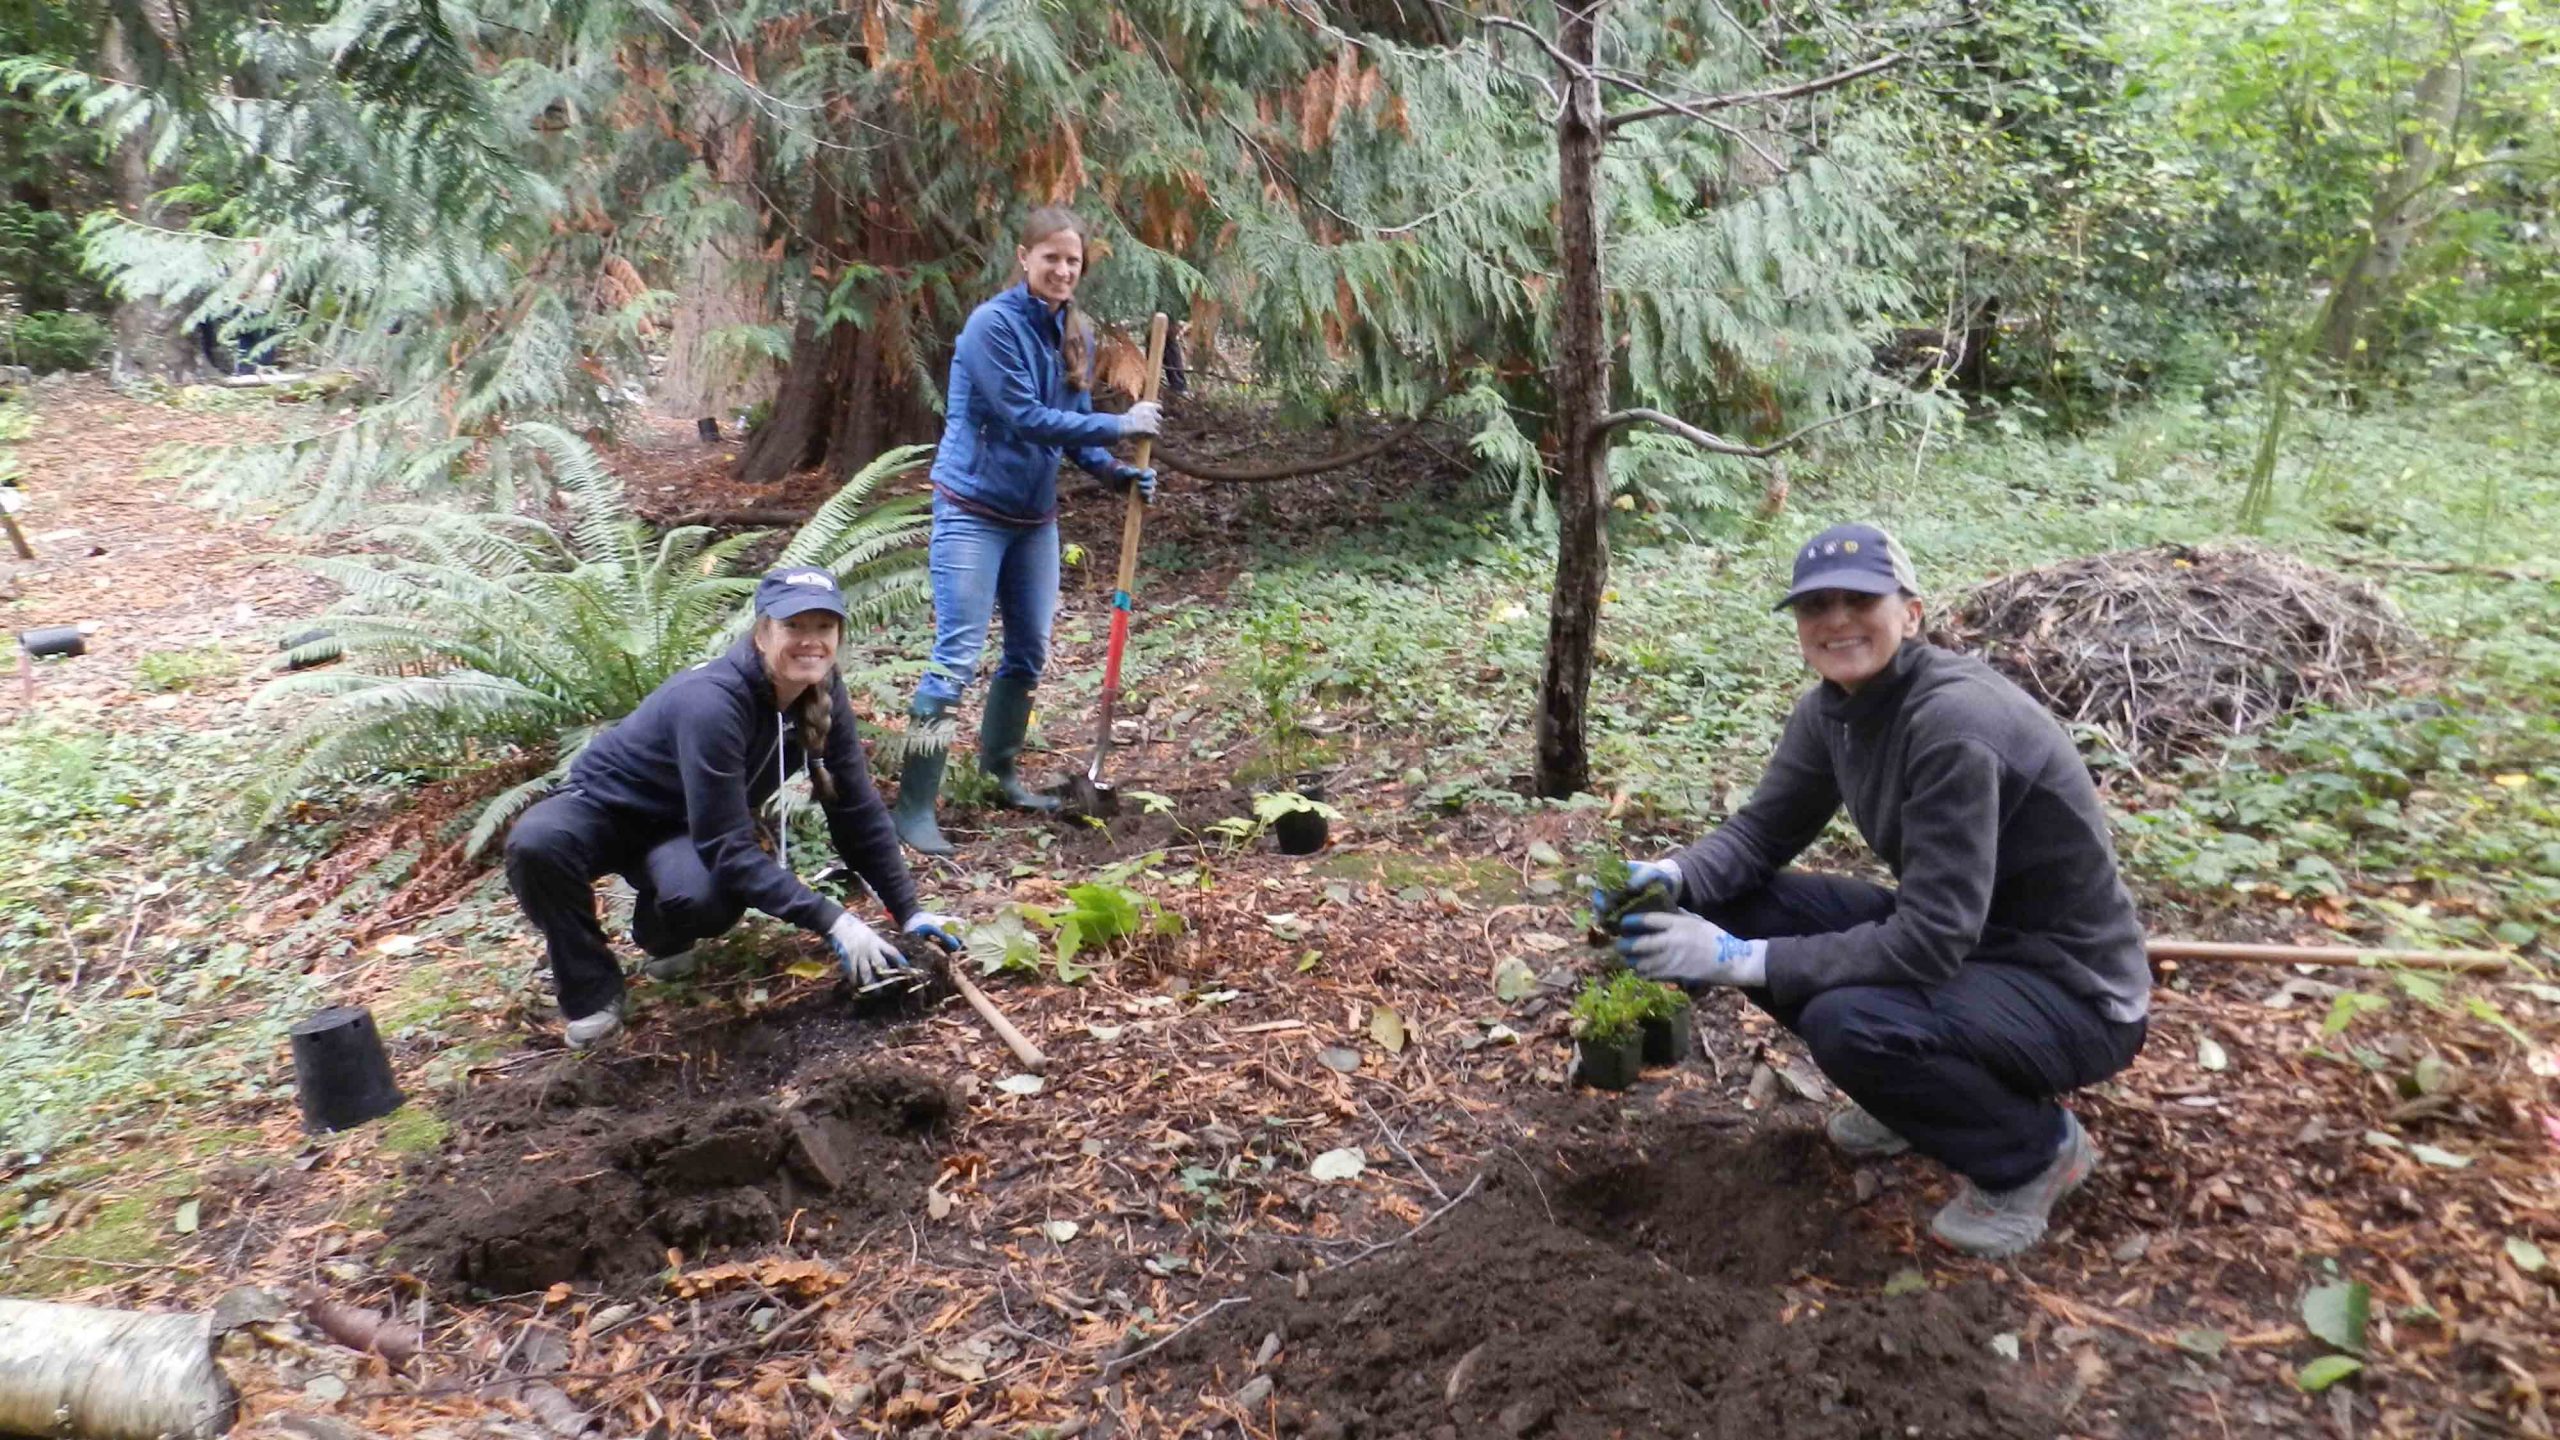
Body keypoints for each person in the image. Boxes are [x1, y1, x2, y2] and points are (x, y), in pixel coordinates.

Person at [1596, 522, 2150, 1258]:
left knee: (1849, 1022)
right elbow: (1760, 837)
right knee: (1731, 899)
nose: (1836, 621)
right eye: (1814, 606)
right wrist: (1672, 877)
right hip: (1973, 948)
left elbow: (1930, 939)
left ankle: (2034, 1155)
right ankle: (1916, 1101)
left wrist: (1733, 960)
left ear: (1911, 614)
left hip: (2071, 992)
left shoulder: (1954, 725)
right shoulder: (1832, 712)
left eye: (1860, 600)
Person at [505, 566, 961, 1050]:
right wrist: (835, 921)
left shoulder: (822, 692)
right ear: (763, 633)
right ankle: (590, 989)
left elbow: (853, 808)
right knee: (537, 844)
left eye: (823, 628)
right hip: (603, 809)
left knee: (707, 898)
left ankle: (661, 936)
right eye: (794, 626)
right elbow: (729, 845)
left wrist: (907, 911)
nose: (811, 642)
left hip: (684, 827)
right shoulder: (713, 703)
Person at [893, 206, 1162, 856]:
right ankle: (912, 808)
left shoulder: (1077, 330)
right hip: (971, 510)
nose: (1063, 270)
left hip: (1032, 520)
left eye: (1073, 261)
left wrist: (1113, 472)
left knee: (1028, 653)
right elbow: (1024, 415)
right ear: (1024, 258)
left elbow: (1070, 425)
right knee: (956, 655)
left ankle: (1000, 774)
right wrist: (1120, 425)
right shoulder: (992, 327)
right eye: (1052, 258)